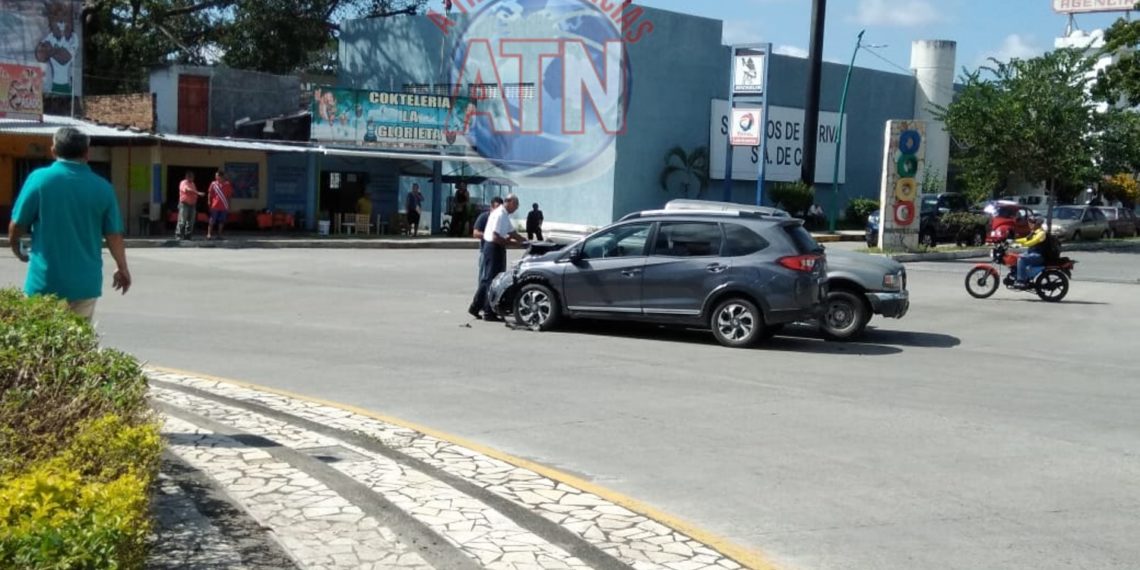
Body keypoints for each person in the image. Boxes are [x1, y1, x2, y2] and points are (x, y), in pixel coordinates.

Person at [7, 127, 131, 321]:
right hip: (85, 285)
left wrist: (16, 247)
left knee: (41, 343)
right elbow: (114, 235)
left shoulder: (39, 180)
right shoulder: (103, 188)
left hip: (44, 282)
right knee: (76, 346)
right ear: (86, 153)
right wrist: (122, 268)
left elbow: (17, 224)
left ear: (53, 151)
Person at [476, 194, 525, 321]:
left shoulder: (504, 215)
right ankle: (488, 312)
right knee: (491, 281)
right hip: (492, 247)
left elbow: (512, 232)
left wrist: (525, 242)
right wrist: (514, 243)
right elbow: (495, 237)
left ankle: (475, 307)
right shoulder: (499, 214)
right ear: (509, 202)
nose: (516, 208)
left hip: (496, 248)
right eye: (516, 205)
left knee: (489, 279)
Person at [468, 196, 504, 319]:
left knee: (493, 280)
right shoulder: (484, 217)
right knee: (486, 280)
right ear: (491, 206)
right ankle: (484, 307)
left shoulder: (501, 218)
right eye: (496, 207)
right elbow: (475, 233)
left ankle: (483, 306)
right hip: (486, 252)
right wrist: (488, 235)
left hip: (498, 251)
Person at [1014, 217, 1047, 287]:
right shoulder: (1033, 232)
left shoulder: (1041, 233)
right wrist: (1013, 241)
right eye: (1029, 223)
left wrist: (1018, 245)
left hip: (1038, 256)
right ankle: (1018, 274)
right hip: (1031, 253)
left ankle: (1021, 281)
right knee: (1014, 256)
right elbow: (1026, 239)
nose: (1030, 225)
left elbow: (1032, 242)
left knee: (1021, 259)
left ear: (1037, 224)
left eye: (1032, 223)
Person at [206, 169, 233, 241]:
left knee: (222, 221)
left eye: (217, 176)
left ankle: (219, 235)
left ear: (221, 176)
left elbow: (229, 195)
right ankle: (209, 234)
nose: (215, 177)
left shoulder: (227, 184)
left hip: (224, 206)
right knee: (212, 220)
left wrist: (229, 205)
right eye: (215, 176)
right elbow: (209, 193)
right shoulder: (213, 184)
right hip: (215, 205)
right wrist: (209, 201)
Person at [176, 171, 203, 240]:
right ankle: (178, 235)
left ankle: (187, 236)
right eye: (190, 177)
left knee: (191, 221)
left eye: (192, 177)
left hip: (192, 205)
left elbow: (193, 192)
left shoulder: (193, 184)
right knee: (182, 220)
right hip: (184, 204)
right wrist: (197, 193)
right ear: (187, 177)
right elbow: (187, 190)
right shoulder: (183, 182)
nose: (192, 178)